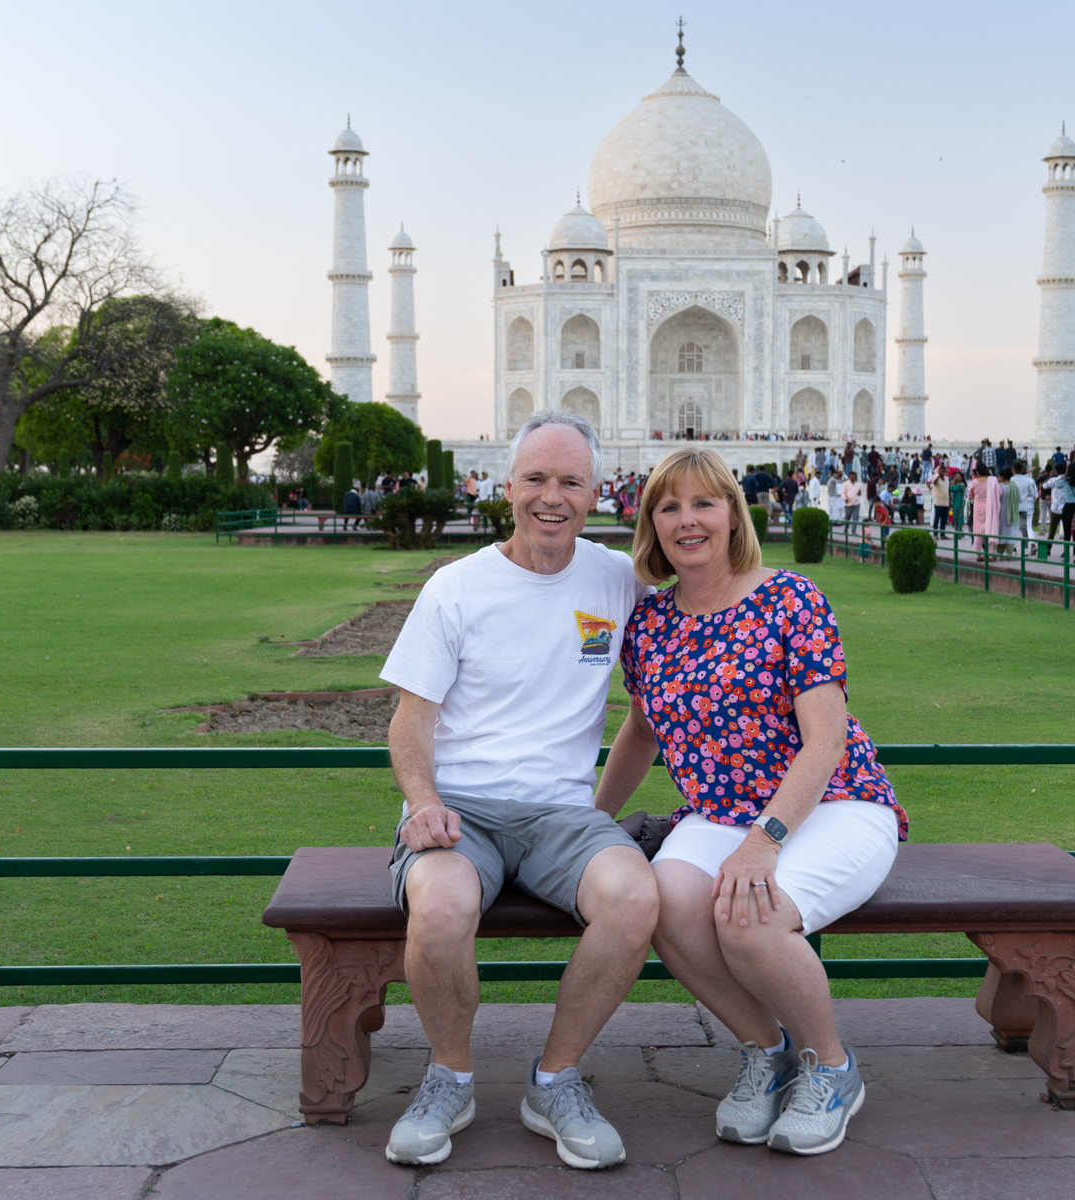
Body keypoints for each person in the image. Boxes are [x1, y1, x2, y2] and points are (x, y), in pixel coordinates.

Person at [597, 447, 905, 1157]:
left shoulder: (790, 598)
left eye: (704, 503)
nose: (687, 520)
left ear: (733, 515)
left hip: (833, 804)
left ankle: (831, 1068)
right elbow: (641, 729)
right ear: (651, 526)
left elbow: (824, 740)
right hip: (720, 815)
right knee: (664, 904)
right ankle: (765, 1053)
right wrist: (593, 819)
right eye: (669, 507)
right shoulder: (651, 625)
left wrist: (764, 841)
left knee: (748, 917)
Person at [378, 409, 658, 1170]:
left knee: (635, 897)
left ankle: (556, 1078)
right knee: (439, 905)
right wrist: (424, 800)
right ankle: (450, 1076)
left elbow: (663, 689)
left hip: (562, 814)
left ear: (597, 491)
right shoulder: (457, 588)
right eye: (536, 478)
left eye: (570, 481)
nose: (552, 497)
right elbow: (411, 720)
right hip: (460, 810)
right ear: (508, 487)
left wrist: (599, 814)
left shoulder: (614, 579)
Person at [969, 466, 1001, 557]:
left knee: (978, 530)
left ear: (978, 473)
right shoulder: (992, 481)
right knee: (989, 529)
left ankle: (978, 555)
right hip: (989, 506)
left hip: (978, 506)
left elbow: (970, 494)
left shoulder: (974, 482)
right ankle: (989, 553)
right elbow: (999, 491)